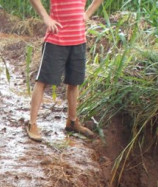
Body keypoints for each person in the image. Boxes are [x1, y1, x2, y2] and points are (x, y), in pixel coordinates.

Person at [26, 0, 102, 142]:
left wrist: (88, 14)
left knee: (74, 82)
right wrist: (46, 18)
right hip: (56, 40)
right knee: (43, 81)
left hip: (78, 39)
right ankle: (32, 124)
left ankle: (72, 122)